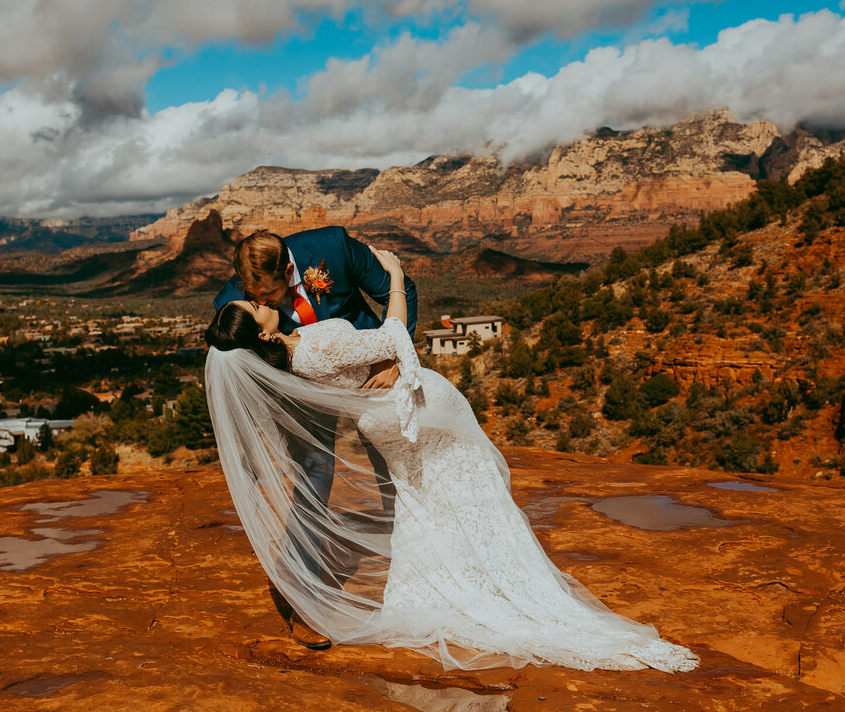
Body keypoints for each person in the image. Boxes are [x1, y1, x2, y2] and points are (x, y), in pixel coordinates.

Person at [204, 247, 699, 673]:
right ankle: (504, 586)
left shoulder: (292, 359)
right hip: (414, 411)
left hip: (386, 422)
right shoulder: (318, 347)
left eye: (255, 295)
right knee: (474, 490)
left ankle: (438, 587)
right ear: (262, 336)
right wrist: (395, 276)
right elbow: (394, 332)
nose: (257, 300)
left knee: (425, 504)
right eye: (254, 304)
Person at [212, 227, 417, 649]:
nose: (263, 304)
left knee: (392, 463)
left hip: (368, 369)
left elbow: (402, 289)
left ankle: (415, 562)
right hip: (301, 382)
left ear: (289, 270)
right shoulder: (236, 300)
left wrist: (395, 359)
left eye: (267, 295)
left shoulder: (334, 249)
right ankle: (296, 592)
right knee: (315, 473)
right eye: (255, 299)